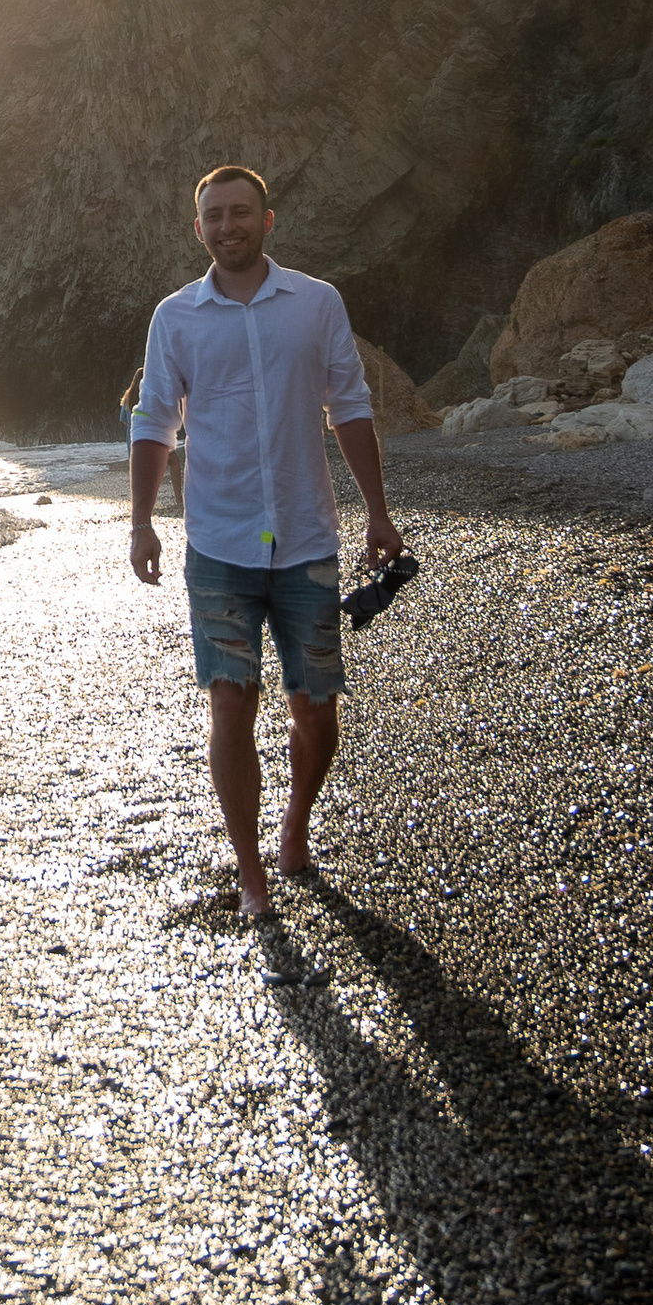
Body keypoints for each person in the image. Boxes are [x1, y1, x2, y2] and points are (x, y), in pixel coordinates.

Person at [126, 165, 402, 909]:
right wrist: (142, 522)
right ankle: (250, 869)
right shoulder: (175, 317)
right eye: (213, 216)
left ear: (267, 220)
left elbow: (349, 404)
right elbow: (154, 421)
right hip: (218, 546)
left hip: (308, 541)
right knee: (231, 705)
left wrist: (377, 513)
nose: (227, 226)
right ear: (199, 229)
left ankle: (296, 823)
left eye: (240, 212)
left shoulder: (315, 304)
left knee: (317, 708)